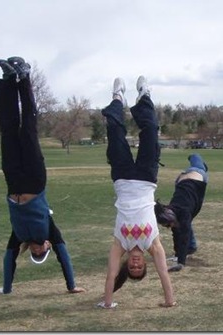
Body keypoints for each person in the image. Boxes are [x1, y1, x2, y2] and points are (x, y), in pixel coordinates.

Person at [0, 56, 85, 295]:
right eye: (40, 252)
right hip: (34, 179)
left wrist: (6, 289)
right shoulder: (49, 231)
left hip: (13, 182)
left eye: (34, 254)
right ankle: (24, 76)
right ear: (46, 247)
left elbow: (8, 259)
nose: (36, 251)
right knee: (28, 128)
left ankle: (8, 78)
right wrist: (72, 286)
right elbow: (63, 256)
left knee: (8, 130)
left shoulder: (19, 237)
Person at [97, 76, 176, 309]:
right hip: (145, 179)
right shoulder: (153, 244)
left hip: (122, 178)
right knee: (151, 130)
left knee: (114, 131)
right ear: (144, 264)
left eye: (131, 267)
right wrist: (169, 301)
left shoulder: (119, 244)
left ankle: (117, 98)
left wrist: (108, 303)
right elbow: (164, 273)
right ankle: (144, 96)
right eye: (139, 267)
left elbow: (111, 276)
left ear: (127, 265)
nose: (135, 264)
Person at [154, 153, 209, 272]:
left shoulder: (183, 213)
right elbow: (177, 234)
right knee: (185, 225)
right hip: (180, 181)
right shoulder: (172, 212)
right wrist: (178, 253)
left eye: (168, 225)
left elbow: (183, 236)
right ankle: (192, 247)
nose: (169, 227)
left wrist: (181, 262)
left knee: (199, 165)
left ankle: (195, 156)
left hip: (197, 177)